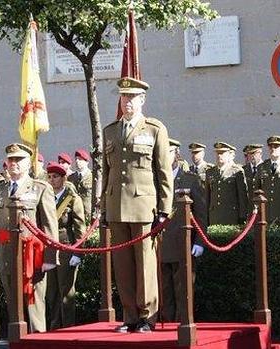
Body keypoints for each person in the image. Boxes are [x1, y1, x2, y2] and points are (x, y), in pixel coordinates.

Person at [100, 77, 173, 333]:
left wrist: (164, 210)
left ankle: (146, 317)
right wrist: (103, 207)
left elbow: (163, 172)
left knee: (145, 264)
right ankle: (129, 315)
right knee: (122, 265)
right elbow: (106, 172)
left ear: (142, 100)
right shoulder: (110, 130)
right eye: (123, 97)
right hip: (117, 206)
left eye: (132, 98)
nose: (127, 102)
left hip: (144, 207)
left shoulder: (154, 129)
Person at [0, 143, 59, 333]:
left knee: (34, 305)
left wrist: (50, 257)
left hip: (32, 255)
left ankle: (37, 341)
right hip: (6, 253)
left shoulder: (40, 188)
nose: (13, 163)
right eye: (10, 159)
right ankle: (16, 341)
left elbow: (49, 225)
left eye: (18, 159)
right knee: (13, 305)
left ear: (28, 163)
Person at [160, 139, 206, 322]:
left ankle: (182, 325)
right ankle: (166, 325)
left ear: (176, 154)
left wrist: (200, 241)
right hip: (161, 243)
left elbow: (201, 214)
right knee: (164, 291)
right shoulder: (156, 180)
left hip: (183, 242)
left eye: (169, 152)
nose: (165, 156)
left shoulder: (190, 179)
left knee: (183, 289)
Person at [46, 162, 85, 330]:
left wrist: (77, 252)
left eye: (55, 177)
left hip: (66, 248)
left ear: (63, 178)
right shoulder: (46, 198)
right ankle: (54, 327)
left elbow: (80, 226)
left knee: (65, 291)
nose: (52, 180)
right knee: (51, 291)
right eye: (50, 177)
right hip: (49, 249)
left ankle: (68, 327)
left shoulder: (72, 198)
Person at [205, 142, 249, 225]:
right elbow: (208, 197)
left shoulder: (237, 171)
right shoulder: (210, 172)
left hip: (231, 216)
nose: (219, 156)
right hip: (214, 216)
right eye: (217, 153)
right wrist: (206, 215)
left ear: (229, 155)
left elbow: (242, 197)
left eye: (222, 153)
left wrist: (242, 216)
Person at [68, 149, 93, 219]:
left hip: (88, 213)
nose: (77, 161)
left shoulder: (93, 176)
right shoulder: (70, 178)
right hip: (74, 213)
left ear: (87, 162)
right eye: (76, 159)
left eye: (80, 159)